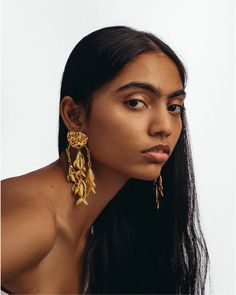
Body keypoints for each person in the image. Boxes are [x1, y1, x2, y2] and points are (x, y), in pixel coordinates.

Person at [1, 26, 210, 294]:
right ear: (74, 115)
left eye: (173, 107)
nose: (164, 127)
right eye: (136, 102)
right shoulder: (33, 220)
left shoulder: (100, 235)